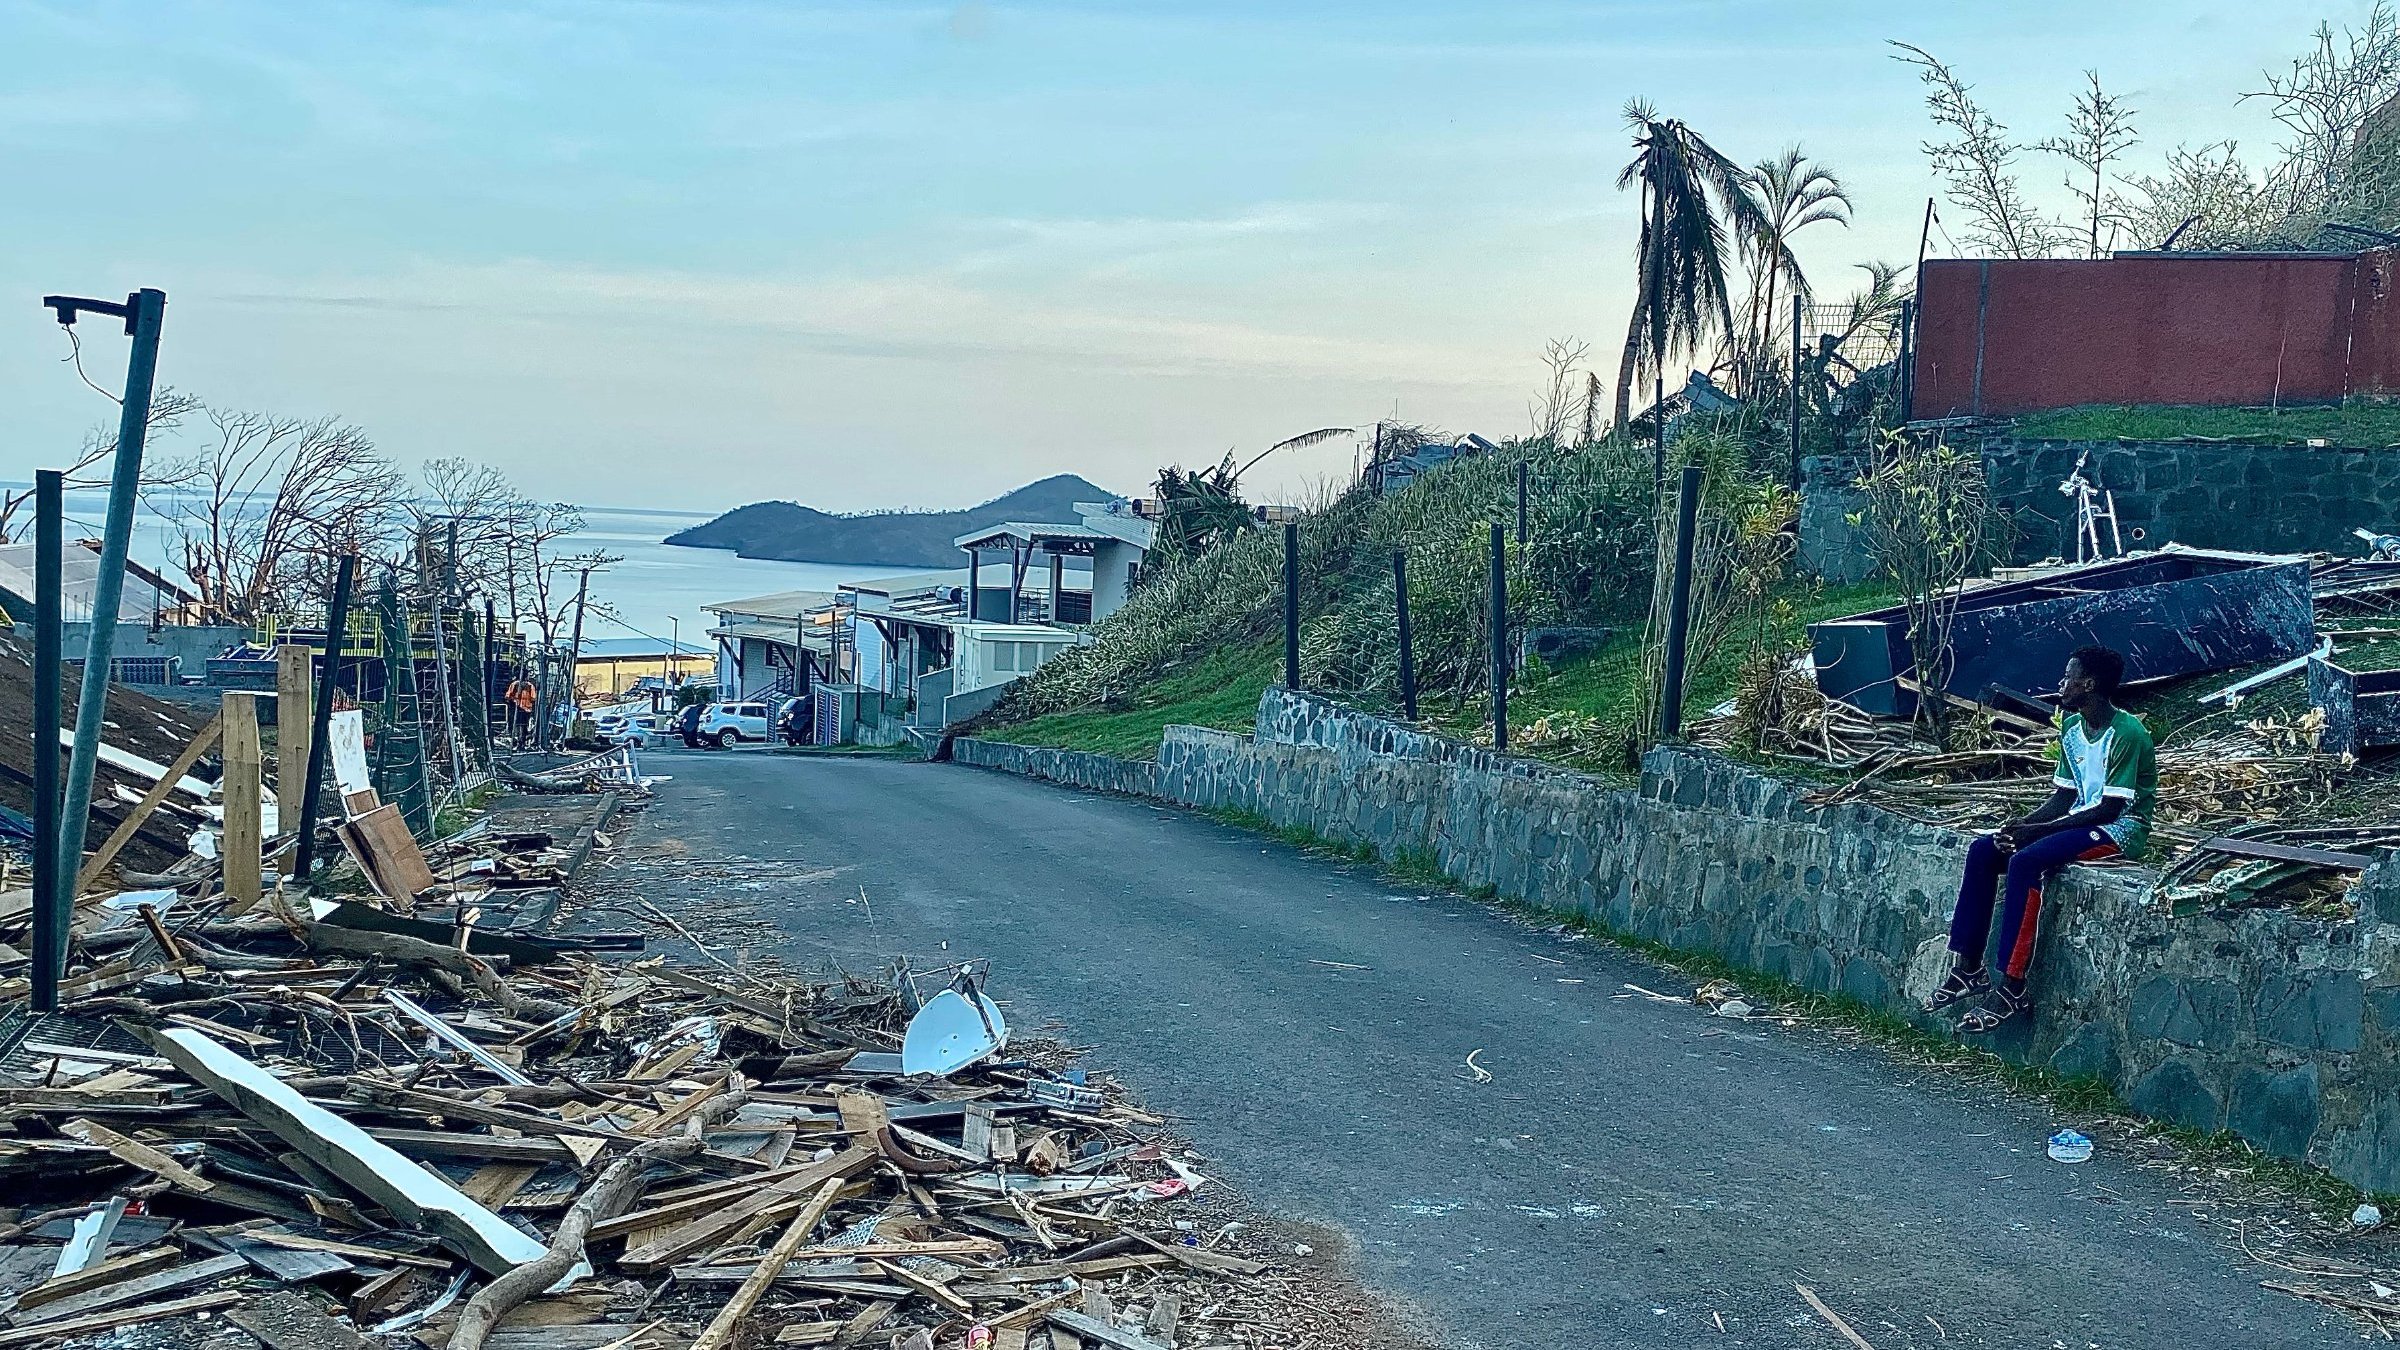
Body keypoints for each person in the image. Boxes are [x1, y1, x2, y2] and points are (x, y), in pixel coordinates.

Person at [1925, 644, 2156, 1035]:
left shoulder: (2128, 733)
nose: (2061, 684)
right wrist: (2020, 826)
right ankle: (1969, 969)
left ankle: (2013, 986)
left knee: (2027, 861)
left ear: (2090, 684)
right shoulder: (2070, 729)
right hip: (2077, 822)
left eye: (2069, 677)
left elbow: (2110, 809)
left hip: (2117, 831)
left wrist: (2035, 834)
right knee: (1985, 850)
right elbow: (2065, 796)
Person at [505, 676, 538, 749]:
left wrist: (513, 700)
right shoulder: (529, 685)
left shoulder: (514, 684)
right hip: (526, 709)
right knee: (523, 725)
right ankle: (521, 742)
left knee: (516, 725)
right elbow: (533, 698)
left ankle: (518, 742)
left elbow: (508, 696)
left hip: (517, 708)